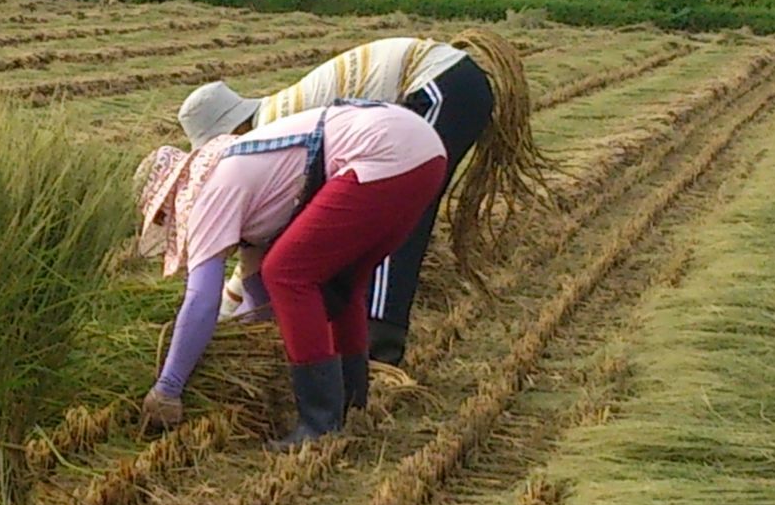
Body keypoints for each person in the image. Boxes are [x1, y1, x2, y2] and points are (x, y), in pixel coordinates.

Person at [173, 31, 540, 366]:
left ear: (230, 130)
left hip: (438, 86)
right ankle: (361, 341)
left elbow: (274, 242)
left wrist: (221, 318)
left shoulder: (269, 129)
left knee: (400, 213)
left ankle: (379, 344)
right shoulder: (272, 120)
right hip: (451, 84)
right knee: (374, 220)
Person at [138, 100, 446, 449]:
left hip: (381, 153)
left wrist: (169, 387)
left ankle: (318, 425)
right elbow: (259, 301)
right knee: (338, 284)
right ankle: (351, 403)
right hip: (424, 152)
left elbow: (201, 300)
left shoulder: (210, 193)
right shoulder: (242, 174)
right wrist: (244, 344)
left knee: (287, 273)